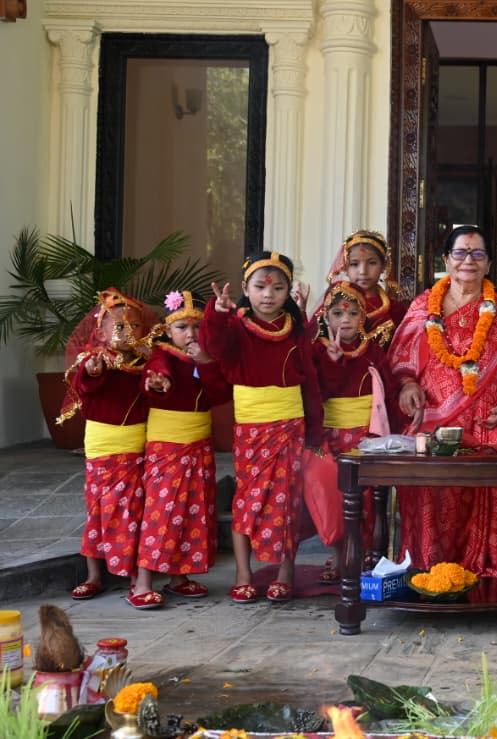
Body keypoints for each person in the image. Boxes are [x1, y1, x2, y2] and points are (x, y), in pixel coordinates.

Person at [388, 225, 497, 577]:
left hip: (491, 419)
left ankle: (491, 571)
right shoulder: (424, 307)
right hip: (435, 418)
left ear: (488, 265)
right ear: (446, 260)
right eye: (461, 253)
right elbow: (402, 363)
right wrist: (407, 385)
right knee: (425, 476)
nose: (468, 260)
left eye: (478, 254)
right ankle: (427, 570)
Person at [202, 252, 323, 604]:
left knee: (288, 502)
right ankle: (244, 573)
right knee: (247, 501)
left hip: (290, 426)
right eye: (259, 287)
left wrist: (314, 430)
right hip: (251, 429)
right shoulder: (236, 327)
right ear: (245, 288)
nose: (268, 295)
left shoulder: (295, 331)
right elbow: (215, 348)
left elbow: (310, 382)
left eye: (277, 287)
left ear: (287, 292)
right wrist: (217, 313)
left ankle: (285, 572)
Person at [132, 291, 230, 609]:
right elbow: (155, 375)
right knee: (162, 513)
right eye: (182, 327)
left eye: (196, 327)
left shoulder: (207, 358)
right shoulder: (162, 355)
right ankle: (143, 582)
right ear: (167, 331)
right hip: (168, 447)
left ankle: (179, 577)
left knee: (193, 511)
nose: (189, 334)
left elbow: (219, 394)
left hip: (199, 446)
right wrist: (157, 381)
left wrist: (204, 360)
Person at [62, 288, 157, 600]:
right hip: (102, 446)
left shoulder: (148, 361)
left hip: (135, 445)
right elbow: (85, 384)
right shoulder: (93, 359)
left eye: (133, 326)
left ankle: (133, 574)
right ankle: (94, 575)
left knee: (132, 510)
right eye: (118, 326)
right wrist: (93, 371)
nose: (126, 332)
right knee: (97, 509)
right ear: (100, 332)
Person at [310, 281, 392, 578]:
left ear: (362, 317)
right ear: (325, 318)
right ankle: (339, 556)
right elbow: (317, 391)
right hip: (331, 436)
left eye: (353, 313)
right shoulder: (317, 351)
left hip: (365, 437)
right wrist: (332, 363)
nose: (345, 319)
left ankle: (366, 557)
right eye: (336, 313)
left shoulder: (373, 351)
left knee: (368, 498)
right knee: (336, 496)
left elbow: (389, 391)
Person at [324, 230, 407, 348]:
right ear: (345, 267)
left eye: (372, 263)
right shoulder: (333, 302)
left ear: (384, 266)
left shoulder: (396, 310)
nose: (363, 271)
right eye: (354, 264)